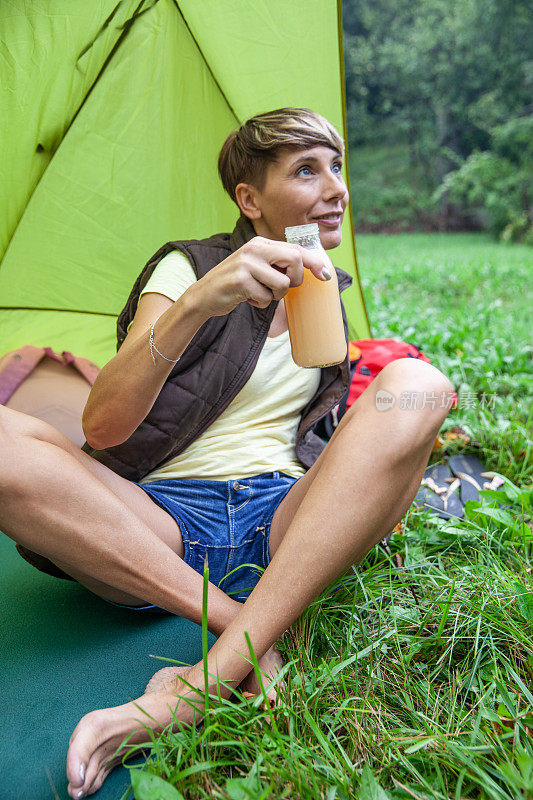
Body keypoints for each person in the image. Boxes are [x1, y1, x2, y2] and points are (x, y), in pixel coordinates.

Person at [0, 108, 454, 798]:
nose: (336, 187)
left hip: (283, 518)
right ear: (249, 199)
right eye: (307, 169)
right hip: (158, 526)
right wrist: (198, 303)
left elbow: (326, 420)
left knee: (419, 385)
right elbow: (106, 422)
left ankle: (197, 685)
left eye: (337, 167)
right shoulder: (189, 266)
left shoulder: (321, 283)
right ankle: (250, 631)